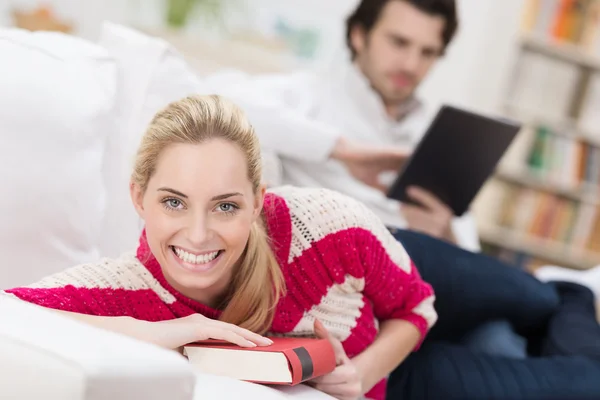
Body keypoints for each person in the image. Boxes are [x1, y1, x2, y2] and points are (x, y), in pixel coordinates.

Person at [3, 95, 600, 400]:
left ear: (258, 199)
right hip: (404, 378)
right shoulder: (128, 289)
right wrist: (167, 332)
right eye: (173, 202)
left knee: (539, 301)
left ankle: (570, 290)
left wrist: (361, 368)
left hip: (392, 271)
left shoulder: (324, 223)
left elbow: (418, 306)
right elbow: (11, 312)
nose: (199, 235)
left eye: (227, 205)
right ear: (139, 198)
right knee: (583, 383)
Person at [209, 0, 480, 251]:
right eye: (399, 42)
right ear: (359, 35)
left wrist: (444, 234)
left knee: (511, 291)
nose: (411, 65)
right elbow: (214, 99)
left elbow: (472, 258)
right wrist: (341, 150)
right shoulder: (308, 97)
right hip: (336, 261)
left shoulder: (437, 140)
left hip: (418, 269)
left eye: (427, 52)